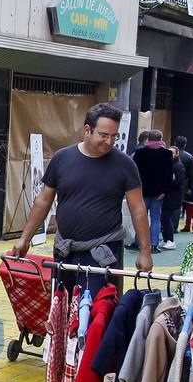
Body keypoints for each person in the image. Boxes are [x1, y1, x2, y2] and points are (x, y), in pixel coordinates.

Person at [11, 103, 152, 297]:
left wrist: (145, 251)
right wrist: (24, 239)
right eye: (104, 135)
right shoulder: (62, 158)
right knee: (62, 306)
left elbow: (138, 210)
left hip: (103, 252)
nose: (110, 141)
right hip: (65, 250)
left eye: (114, 136)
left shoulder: (125, 164)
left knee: (96, 313)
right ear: (87, 130)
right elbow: (43, 202)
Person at [132, 128, 174, 253]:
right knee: (156, 218)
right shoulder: (167, 154)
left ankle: (138, 241)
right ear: (161, 139)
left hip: (142, 191)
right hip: (158, 193)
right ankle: (154, 244)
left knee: (140, 216)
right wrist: (165, 191)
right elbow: (169, 175)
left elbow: (134, 172)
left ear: (148, 139)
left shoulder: (140, 153)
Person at [161, 139, 186, 250]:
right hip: (168, 195)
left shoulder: (178, 166)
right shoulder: (168, 165)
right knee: (164, 218)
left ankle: (170, 240)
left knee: (166, 218)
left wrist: (167, 183)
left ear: (176, 154)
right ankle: (167, 239)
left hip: (173, 196)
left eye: (172, 152)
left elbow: (179, 182)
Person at [176, 135, 193, 233]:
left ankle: (169, 225)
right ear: (185, 145)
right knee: (179, 206)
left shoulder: (169, 154)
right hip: (184, 184)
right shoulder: (189, 157)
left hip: (170, 184)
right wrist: (191, 186)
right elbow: (191, 174)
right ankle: (175, 225)